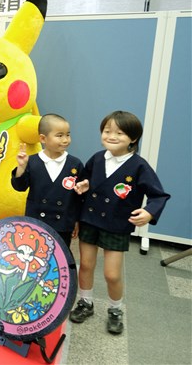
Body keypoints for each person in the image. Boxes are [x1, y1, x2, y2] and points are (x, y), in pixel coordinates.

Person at [69, 110, 170, 335]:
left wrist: (149, 213)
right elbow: (83, 180)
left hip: (117, 224)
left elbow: (158, 196)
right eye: (107, 131)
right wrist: (83, 185)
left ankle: (115, 310)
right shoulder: (96, 158)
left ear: (133, 138)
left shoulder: (138, 166)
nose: (112, 136)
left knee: (112, 274)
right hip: (90, 219)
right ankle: (86, 302)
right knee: (85, 265)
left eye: (120, 133)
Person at [11, 113, 84, 249]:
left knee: (60, 256)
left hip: (63, 222)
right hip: (36, 222)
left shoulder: (75, 164)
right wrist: (21, 167)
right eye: (59, 135)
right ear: (43, 139)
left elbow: (79, 197)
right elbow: (19, 187)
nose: (65, 140)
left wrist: (76, 220)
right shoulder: (32, 161)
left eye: (68, 134)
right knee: (35, 255)